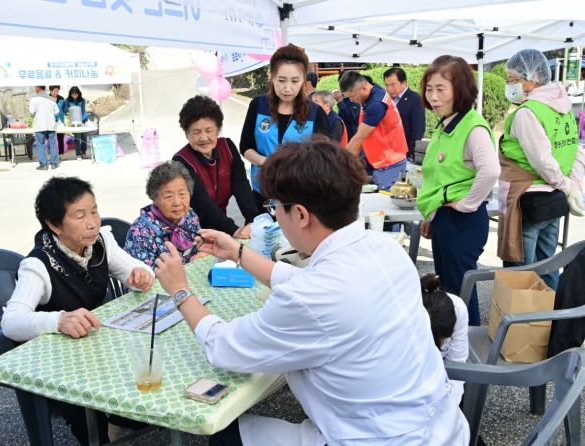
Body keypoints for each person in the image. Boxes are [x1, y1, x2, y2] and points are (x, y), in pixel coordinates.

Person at [154, 138, 468, 446]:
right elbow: (303, 283)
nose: (275, 215)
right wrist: (238, 252)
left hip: (377, 437)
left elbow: (225, 347)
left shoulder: (312, 298)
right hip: (443, 424)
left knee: (224, 433)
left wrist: (180, 290)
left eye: (275, 207)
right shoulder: (385, 249)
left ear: (302, 215)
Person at [1, 176, 154, 445]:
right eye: (80, 216)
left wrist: (142, 276)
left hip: (90, 344)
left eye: (94, 211)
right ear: (54, 224)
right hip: (55, 360)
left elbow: (137, 270)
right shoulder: (37, 265)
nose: (93, 222)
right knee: (86, 418)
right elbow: (10, 323)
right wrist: (59, 320)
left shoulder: (101, 242)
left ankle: (126, 415)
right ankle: (94, 432)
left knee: (146, 353)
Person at [416, 55, 500, 326]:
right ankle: (454, 346)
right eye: (430, 89)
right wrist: (431, 215)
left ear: (461, 88)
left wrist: (466, 204)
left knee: (459, 292)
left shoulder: (472, 126)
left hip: (462, 221)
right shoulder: (447, 124)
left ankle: (467, 348)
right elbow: (441, 178)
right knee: (449, 288)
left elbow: (491, 171)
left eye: (441, 89)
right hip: (446, 218)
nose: (433, 96)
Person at [498, 49, 585, 290]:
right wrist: (571, 187)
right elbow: (575, 149)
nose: (509, 86)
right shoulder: (563, 109)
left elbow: (542, 160)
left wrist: (568, 186)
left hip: (530, 199)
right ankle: (550, 321)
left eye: (514, 80)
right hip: (553, 201)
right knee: (548, 267)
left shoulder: (528, 113)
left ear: (533, 76)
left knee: (521, 273)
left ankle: (522, 323)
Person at [240, 44, 331, 211]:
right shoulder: (258, 106)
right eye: (281, 80)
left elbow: (325, 158)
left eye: (295, 81)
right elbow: (246, 147)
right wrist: (266, 163)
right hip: (263, 192)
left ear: (304, 80)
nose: (287, 88)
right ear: (272, 76)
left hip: (299, 195)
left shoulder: (315, 113)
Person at [173, 95, 259, 238]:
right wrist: (234, 230)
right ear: (186, 133)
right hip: (192, 232)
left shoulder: (228, 148)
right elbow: (202, 203)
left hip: (220, 226)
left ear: (218, 130)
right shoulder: (181, 161)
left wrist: (253, 221)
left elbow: (242, 187)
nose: (203, 138)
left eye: (209, 130)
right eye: (196, 132)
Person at [124, 161, 204, 268]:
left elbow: (198, 248)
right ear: (155, 199)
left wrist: (201, 256)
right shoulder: (140, 232)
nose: (177, 202)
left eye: (182, 194)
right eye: (168, 197)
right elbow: (142, 279)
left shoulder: (190, 216)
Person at [339, 71, 408, 190]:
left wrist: (339, 163)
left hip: (390, 164)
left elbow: (360, 137)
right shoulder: (372, 93)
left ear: (364, 87)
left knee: (386, 204)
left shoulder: (376, 104)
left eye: (352, 96)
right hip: (383, 162)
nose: (351, 101)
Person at [420, 273, 468, 403]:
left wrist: (449, 407)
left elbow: (457, 362)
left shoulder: (458, 309)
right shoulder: (404, 316)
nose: (441, 345)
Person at [384, 67, 426, 163]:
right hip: (389, 152)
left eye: (393, 85)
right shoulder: (387, 99)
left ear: (404, 82)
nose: (389, 89)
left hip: (405, 153)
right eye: (386, 85)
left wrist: (411, 153)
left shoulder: (415, 99)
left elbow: (418, 129)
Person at [29, 85, 59, 171]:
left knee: (41, 145)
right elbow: (57, 111)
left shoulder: (34, 99)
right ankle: (54, 164)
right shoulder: (52, 99)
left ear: (38, 88)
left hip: (40, 125)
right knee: (52, 144)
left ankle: (43, 165)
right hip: (51, 125)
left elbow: (31, 111)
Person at [64, 86, 89, 160]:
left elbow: (83, 110)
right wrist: (68, 113)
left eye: (76, 94)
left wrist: (78, 115)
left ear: (79, 93)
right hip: (74, 121)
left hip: (83, 119)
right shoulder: (67, 100)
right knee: (77, 138)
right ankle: (78, 154)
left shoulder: (82, 100)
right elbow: (66, 109)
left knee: (84, 137)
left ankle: (83, 152)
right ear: (70, 94)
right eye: (73, 94)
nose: (74, 96)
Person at [49, 85, 66, 156]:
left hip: (60, 120)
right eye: (54, 91)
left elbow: (64, 109)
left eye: (57, 91)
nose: (56, 92)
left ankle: (61, 154)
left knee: (60, 138)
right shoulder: (47, 98)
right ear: (50, 91)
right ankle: (52, 154)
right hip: (50, 120)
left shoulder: (61, 98)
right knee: (51, 138)